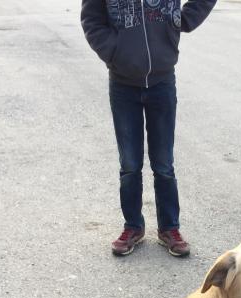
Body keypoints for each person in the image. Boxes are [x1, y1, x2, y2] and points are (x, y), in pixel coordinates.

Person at [81, 0, 216, 257]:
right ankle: (133, 226)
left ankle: (169, 228)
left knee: (164, 163)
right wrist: (114, 51)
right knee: (130, 163)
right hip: (123, 84)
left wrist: (180, 20)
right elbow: (91, 20)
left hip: (162, 81)